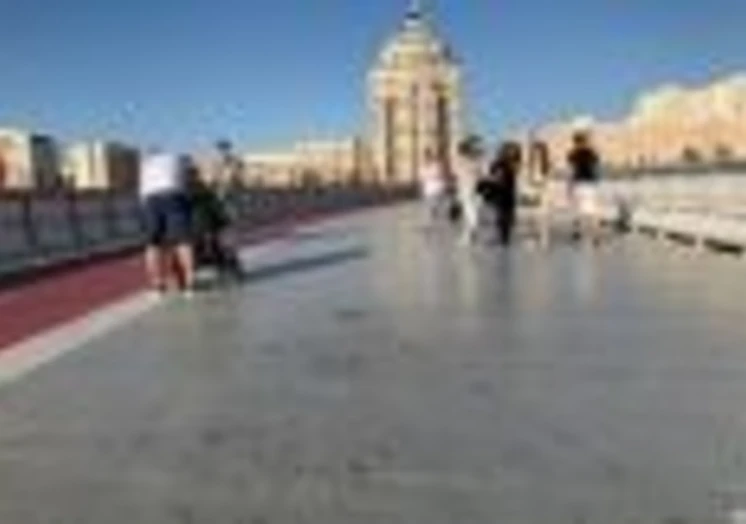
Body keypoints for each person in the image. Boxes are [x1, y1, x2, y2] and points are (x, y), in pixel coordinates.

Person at [139, 151, 195, 295]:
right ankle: (190, 284)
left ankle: (158, 285)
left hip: (151, 199)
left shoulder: (146, 163)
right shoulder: (177, 159)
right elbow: (189, 181)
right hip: (174, 195)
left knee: (153, 244)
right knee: (183, 241)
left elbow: (142, 192)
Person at [567, 131, 602, 245]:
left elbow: (571, 171)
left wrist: (569, 186)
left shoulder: (572, 154)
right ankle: (595, 234)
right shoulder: (591, 153)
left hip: (578, 183)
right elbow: (596, 167)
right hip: (590, 183)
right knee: (592, 210)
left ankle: (577, 231)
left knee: (577, 209)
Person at [487, 141, 522, 246]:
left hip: (509, 192)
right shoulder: (498, 163)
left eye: (512, 151)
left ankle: (504, 237)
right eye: (508, 151)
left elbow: (516, 173)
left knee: (507, 215)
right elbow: (492, 173)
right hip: (500, 191)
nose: (510, 153)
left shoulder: (513, 163)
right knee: (500, 215)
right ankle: (502, 237)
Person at [454, 136, 486, 245]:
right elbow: (482, 174)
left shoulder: (462, 160)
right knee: (472, 211)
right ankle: (469, 234)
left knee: (469, 212)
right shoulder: (477, 160)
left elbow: (458, 173)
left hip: (467, 188)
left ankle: (469, 234)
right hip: (474, 188)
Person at [418, 149, 447, 229]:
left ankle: (431, 222)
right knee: (431, 207)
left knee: (434, 206)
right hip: (431, 188)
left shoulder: (436, 165)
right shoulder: (427, 165)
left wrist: (428, 175)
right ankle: (430, 222)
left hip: (436, 188)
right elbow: (422, 176)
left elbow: (438, 174)